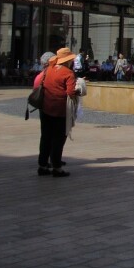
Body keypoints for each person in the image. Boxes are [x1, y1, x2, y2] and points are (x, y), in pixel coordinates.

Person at [38, 48, 78, 177]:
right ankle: (57, 168)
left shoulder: (49, 69)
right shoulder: (68, 73)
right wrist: (79, 90)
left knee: (45, 137)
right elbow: (71, 93)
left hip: (45, 108)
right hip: (59, 111)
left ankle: (42, 166)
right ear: (68, 60)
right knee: (58, 139)